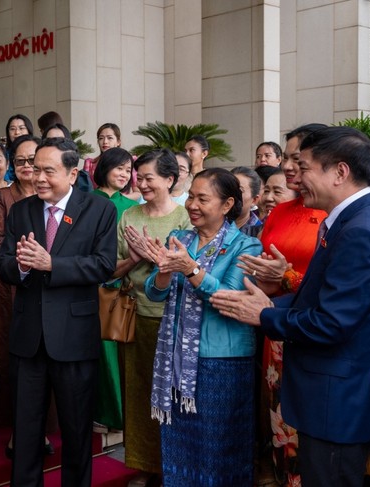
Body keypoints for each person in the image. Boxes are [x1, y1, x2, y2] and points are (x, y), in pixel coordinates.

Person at [211, 126, 370, 487]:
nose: (295, 177)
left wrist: (264, 315)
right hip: (330, 393)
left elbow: (332, 322)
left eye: (304, 167)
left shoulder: (362, 231)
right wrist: (271, 301)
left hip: (338, 399)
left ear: (340, 172)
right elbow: (323, 294)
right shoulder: (351, 220)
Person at [0, 137, 118, 486]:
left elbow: (104, 265)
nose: (39, 178)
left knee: (77, 432)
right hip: (28, 339)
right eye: (36, 170)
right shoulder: (22, 210)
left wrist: (52, 264)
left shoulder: (99, 210)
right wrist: (20, 267)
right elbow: (3, 263)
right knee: (27, 430)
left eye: (49, 171)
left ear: (72, 172)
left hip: (74, 339)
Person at [143, 168, 262, 486]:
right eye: (191, 197)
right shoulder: (180, 239)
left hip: (221, 363)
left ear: (227, 205)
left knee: (220, 448)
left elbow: (231, 299)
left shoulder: (246, 247)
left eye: (202, 199)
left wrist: (191, 268)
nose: (192, 204)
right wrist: (165, 271)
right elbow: (155, 293)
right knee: (181, 447)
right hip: (176, 361)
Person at [235, 124, 327, 486]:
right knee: (276, 418)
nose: (288, 166)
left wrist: (286, 277)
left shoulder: (330, 214)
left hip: (312, 327)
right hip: (273, 325)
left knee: (312, 429)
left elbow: (331, 287)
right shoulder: (280, 211)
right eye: (286, 157)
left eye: (296, 158)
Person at [112, 149, 191, 487]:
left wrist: (157, 257)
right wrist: (133, 259)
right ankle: (145, 465)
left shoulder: (186, 217)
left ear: (170, 180)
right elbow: (110, 270)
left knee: (172, 397)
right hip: (136, 316)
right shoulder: (129, 216)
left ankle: (173, 465)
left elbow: (191, 270)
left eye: (149, 178)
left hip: (175, 320)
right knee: (140, 393)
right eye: (137, 177)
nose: (141, 184)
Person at [0, 134, 39, 438]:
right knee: (14, 354)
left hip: (46, 283)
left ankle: (43, 427)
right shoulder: (4, 196)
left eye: (32, 160)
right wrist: (26, 253)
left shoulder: (53, 195)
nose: (26, 166)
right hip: (11, 285)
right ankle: (17, 429)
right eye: (20, 161)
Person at [90, 147, 137, 434]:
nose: (123, 174)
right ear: (104, 168)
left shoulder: (132, 206)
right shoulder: (86, 201)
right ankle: (105, 413)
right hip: (93, 286)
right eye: (118, 167)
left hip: (125, 286)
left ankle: (124, 417)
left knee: (122, 355)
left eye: (127, 169)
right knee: (101, 352)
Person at [231, 166, 263, 237]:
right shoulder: (211, 225)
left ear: (254, 200)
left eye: (240, 190)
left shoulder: (259, 232)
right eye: (229, 188)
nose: (232, 194)